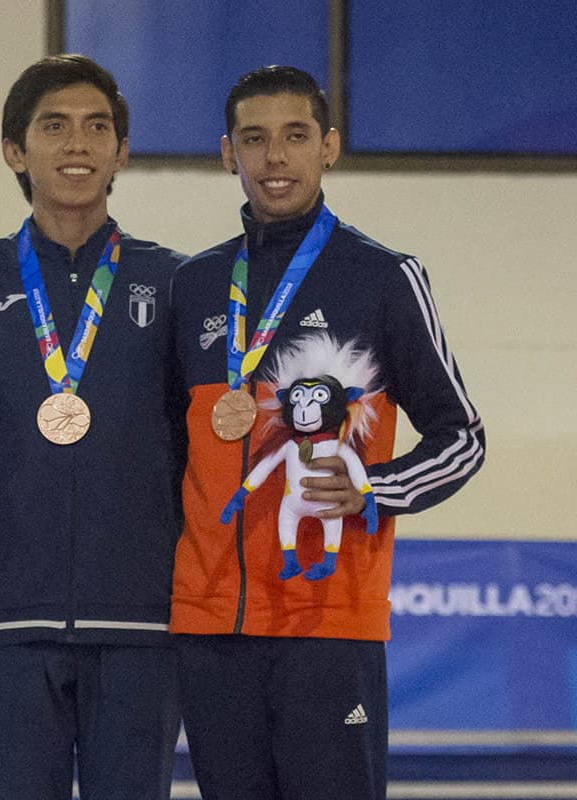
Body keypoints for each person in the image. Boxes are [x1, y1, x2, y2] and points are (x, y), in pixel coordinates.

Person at [169, 65, 486, 799]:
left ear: (329, 146)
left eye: (295, 137)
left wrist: (376, 486)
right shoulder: (197, 285)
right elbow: (167, 453)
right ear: (228, 154)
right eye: (255, 139)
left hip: (328, 622)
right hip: (213, 628)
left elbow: (461, 434)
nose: (275, 158)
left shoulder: (381, 277)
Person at [0, 55, 186, 800]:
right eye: (54, 126)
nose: (78, 144)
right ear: (15, 151)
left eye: (97, 127)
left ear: (122, 151)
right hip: (6, 615)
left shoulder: (180, 282)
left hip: (144, 619)